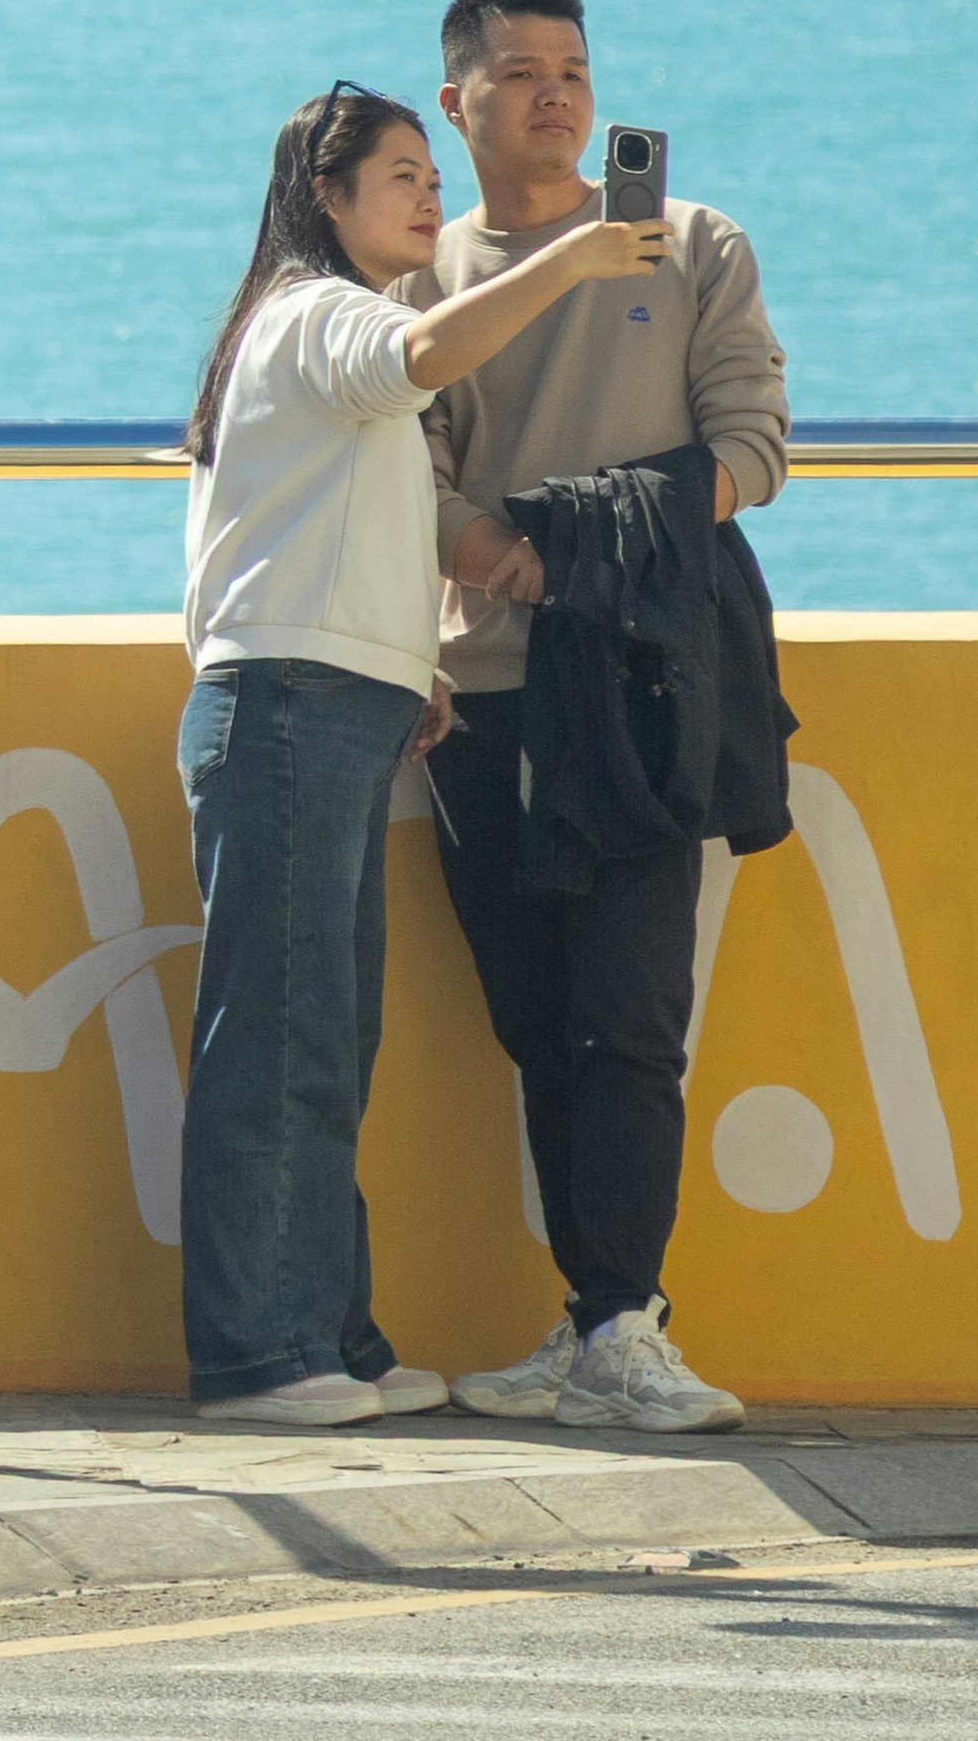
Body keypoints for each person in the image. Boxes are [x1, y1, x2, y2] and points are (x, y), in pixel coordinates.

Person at [175, 82, 663, 1426]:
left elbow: (313, 529)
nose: (430, 193)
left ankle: (331, 1335)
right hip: (286, 706)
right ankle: (260, 1354)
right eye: (401, 174)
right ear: (322, 195)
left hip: (332, 699)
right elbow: (427, 354)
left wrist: (407, 663)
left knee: (327, 1035)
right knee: (280, 1039)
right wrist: (577, 257)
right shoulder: (318, 312)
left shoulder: (310, 324)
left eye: (430, 175)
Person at [406, 0, 786, 1434]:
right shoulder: (421, 278)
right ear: (458, 102)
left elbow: (751, 447)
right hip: (485, 691)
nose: (553, 94)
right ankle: (588, 1326)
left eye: (570, 67)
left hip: (643, 684)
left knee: (629, 1017)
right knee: (536, 1020)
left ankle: (629, 1323)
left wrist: (587, 553)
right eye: (517, 73)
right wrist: (503, 560)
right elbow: (415, 474)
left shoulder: (693, 243)